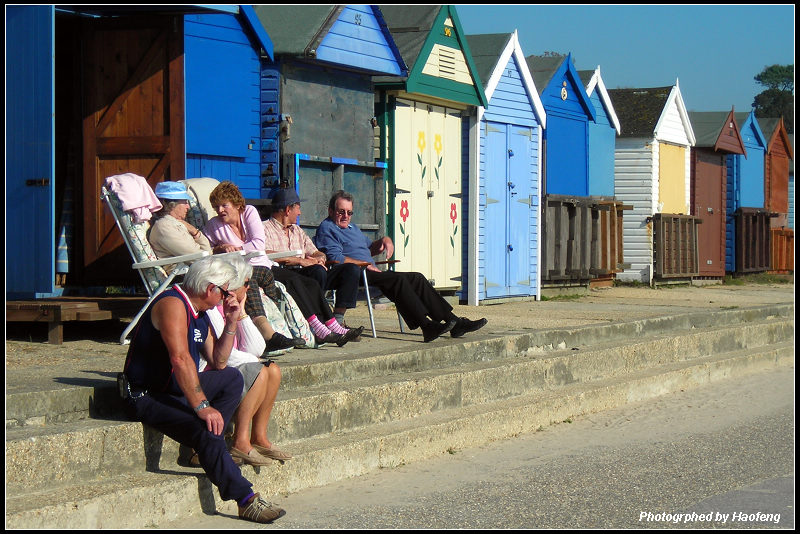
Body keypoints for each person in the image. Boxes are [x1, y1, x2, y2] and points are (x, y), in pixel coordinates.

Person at [119, 255, 285, 524]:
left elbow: (219, 362)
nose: (227, 298)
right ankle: (245, 499)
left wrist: (231, 322)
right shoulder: (172, 304)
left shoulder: (199, 313)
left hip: (173, 387)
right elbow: (180, 359)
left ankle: (209, 444)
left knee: (232, 378)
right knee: (205, 429)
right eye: (225, 292)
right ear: (210, 289)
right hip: (145, 394)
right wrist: (202, 407)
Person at [314, 190, 488, 342]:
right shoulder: (327, 228)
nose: (346, 216)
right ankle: (426, 326)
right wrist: (364, 264)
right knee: (397, 280)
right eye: (341, 212)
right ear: (331, 211)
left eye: (349, 212)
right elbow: (336, 257)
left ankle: (453, 321)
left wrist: (385, 240)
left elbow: (369, 248)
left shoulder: (352, 228)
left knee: (416, 277)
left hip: (371, 271)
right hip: (353, 274)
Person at [203, 181, 362, 346]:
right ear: (287, 209)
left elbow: (258, 244)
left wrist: (317, 258)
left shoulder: (249, 212)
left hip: (266, 265)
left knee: (311, 283)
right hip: (251, 268)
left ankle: (333, 325)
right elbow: (207, 249)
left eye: (224, 205)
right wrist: (220, 248)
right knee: (294, 280)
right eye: (216, 207)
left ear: (236, 204)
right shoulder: (214, 225)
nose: (220, 210)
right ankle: (319, 328)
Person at [147, 181, 299, 354]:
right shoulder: (165, 227)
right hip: (187, 276)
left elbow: (205, 250)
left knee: (260, 274)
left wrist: (195, 232)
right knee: (245, 279)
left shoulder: (177, 225)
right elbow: (200, 254)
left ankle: (274, 331)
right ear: (172, 204)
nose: (188, 206)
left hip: (197, 270)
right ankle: (267, 334)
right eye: (184, 202)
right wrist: (199, 236)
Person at [201, 254, 292, 466]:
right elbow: (224, 357)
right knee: (259, 371)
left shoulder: (232, 306)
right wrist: (255, 361)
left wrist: (241, 313)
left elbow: (257, 347)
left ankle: (259, 437)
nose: (249, 287)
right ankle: (240, 441)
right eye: (246, 282)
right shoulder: (212, 310)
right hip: (209, 372)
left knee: (273, 369)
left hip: (225, 368)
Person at [263, 188, 361, 326]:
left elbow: (315, 252)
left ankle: (337, 319)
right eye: (298, 208)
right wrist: (300, 261)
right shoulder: (264, 228)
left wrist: (319, 258)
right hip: (285, 275)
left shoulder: (297, 230)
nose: (300, 213)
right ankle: (318, 320)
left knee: (351, 269)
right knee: (317, 272)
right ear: (288, 210)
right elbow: (263, 253)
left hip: (308, 273)